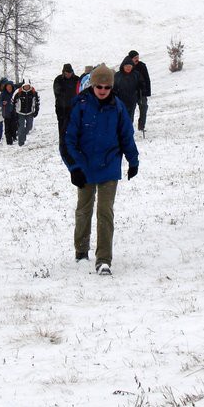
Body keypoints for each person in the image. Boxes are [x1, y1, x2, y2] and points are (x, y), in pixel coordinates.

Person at [62, 64, 139, 276]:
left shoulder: (118, 107)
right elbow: (67, 140)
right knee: (84, 209)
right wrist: (74, 167)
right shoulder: (80, 106)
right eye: (99, 86)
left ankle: (104, 258)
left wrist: (133, 161)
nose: (103, 90)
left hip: (109, 166)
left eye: (107, 87)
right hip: (85, 167)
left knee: (105, 212)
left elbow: (126, 136)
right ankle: (81, 251)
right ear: (93, 85)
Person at [53, 63, 79, 144]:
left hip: (74, 106)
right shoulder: (58, 79)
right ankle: (62, 140)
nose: (68, 74)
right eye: (67, 73)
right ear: (63, 72)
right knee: (62, 124)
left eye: (70, 73)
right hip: (61, 107)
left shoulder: (76, 79)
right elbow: (57, 92)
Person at [113, 57, 143, 125]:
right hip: (120, 101)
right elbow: (114, 87)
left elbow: (140, 85)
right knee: (120, 118)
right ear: (123, 66)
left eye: (130, 66)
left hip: (132, 100)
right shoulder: (118, 75)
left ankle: (128, 133)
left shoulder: (136, 74)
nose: (128, 68)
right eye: (126, 66)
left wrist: (140, 92)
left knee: (129, 118)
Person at [128, 51, 151, 131]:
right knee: (130, 111)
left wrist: (147, 91)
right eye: (135, 58)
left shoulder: (142, 66)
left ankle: (141, 126)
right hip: (132, 93)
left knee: (144, 108)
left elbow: (147, 79)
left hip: (142, 92)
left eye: (138, 57)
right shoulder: (127, 66)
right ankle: (129, 127)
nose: (137, 59)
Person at [14, 81, 40, 147]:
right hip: (20, 113)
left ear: (29, 86)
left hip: (30, 112)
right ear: (23, 86)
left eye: (28, 86)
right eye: (25, 86)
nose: (26, 87)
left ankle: (22, 135)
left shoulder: (34, 93)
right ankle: (21, 142)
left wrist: (36, 111)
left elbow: (37, 102)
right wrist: (14, 113)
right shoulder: (18, 93)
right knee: (21, 128)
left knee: (29, 127)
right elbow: (13, 103)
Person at [0, 81, 18, 145]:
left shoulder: (15, 93)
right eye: (8, 87)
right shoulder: (3, 94)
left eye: (10, 87)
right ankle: (9, 141)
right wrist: (2, 103)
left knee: (14, 127)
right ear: (6, 87)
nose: (9, 88)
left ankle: (14, 136)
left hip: (14, 112)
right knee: (7, 128)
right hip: (6, 113)